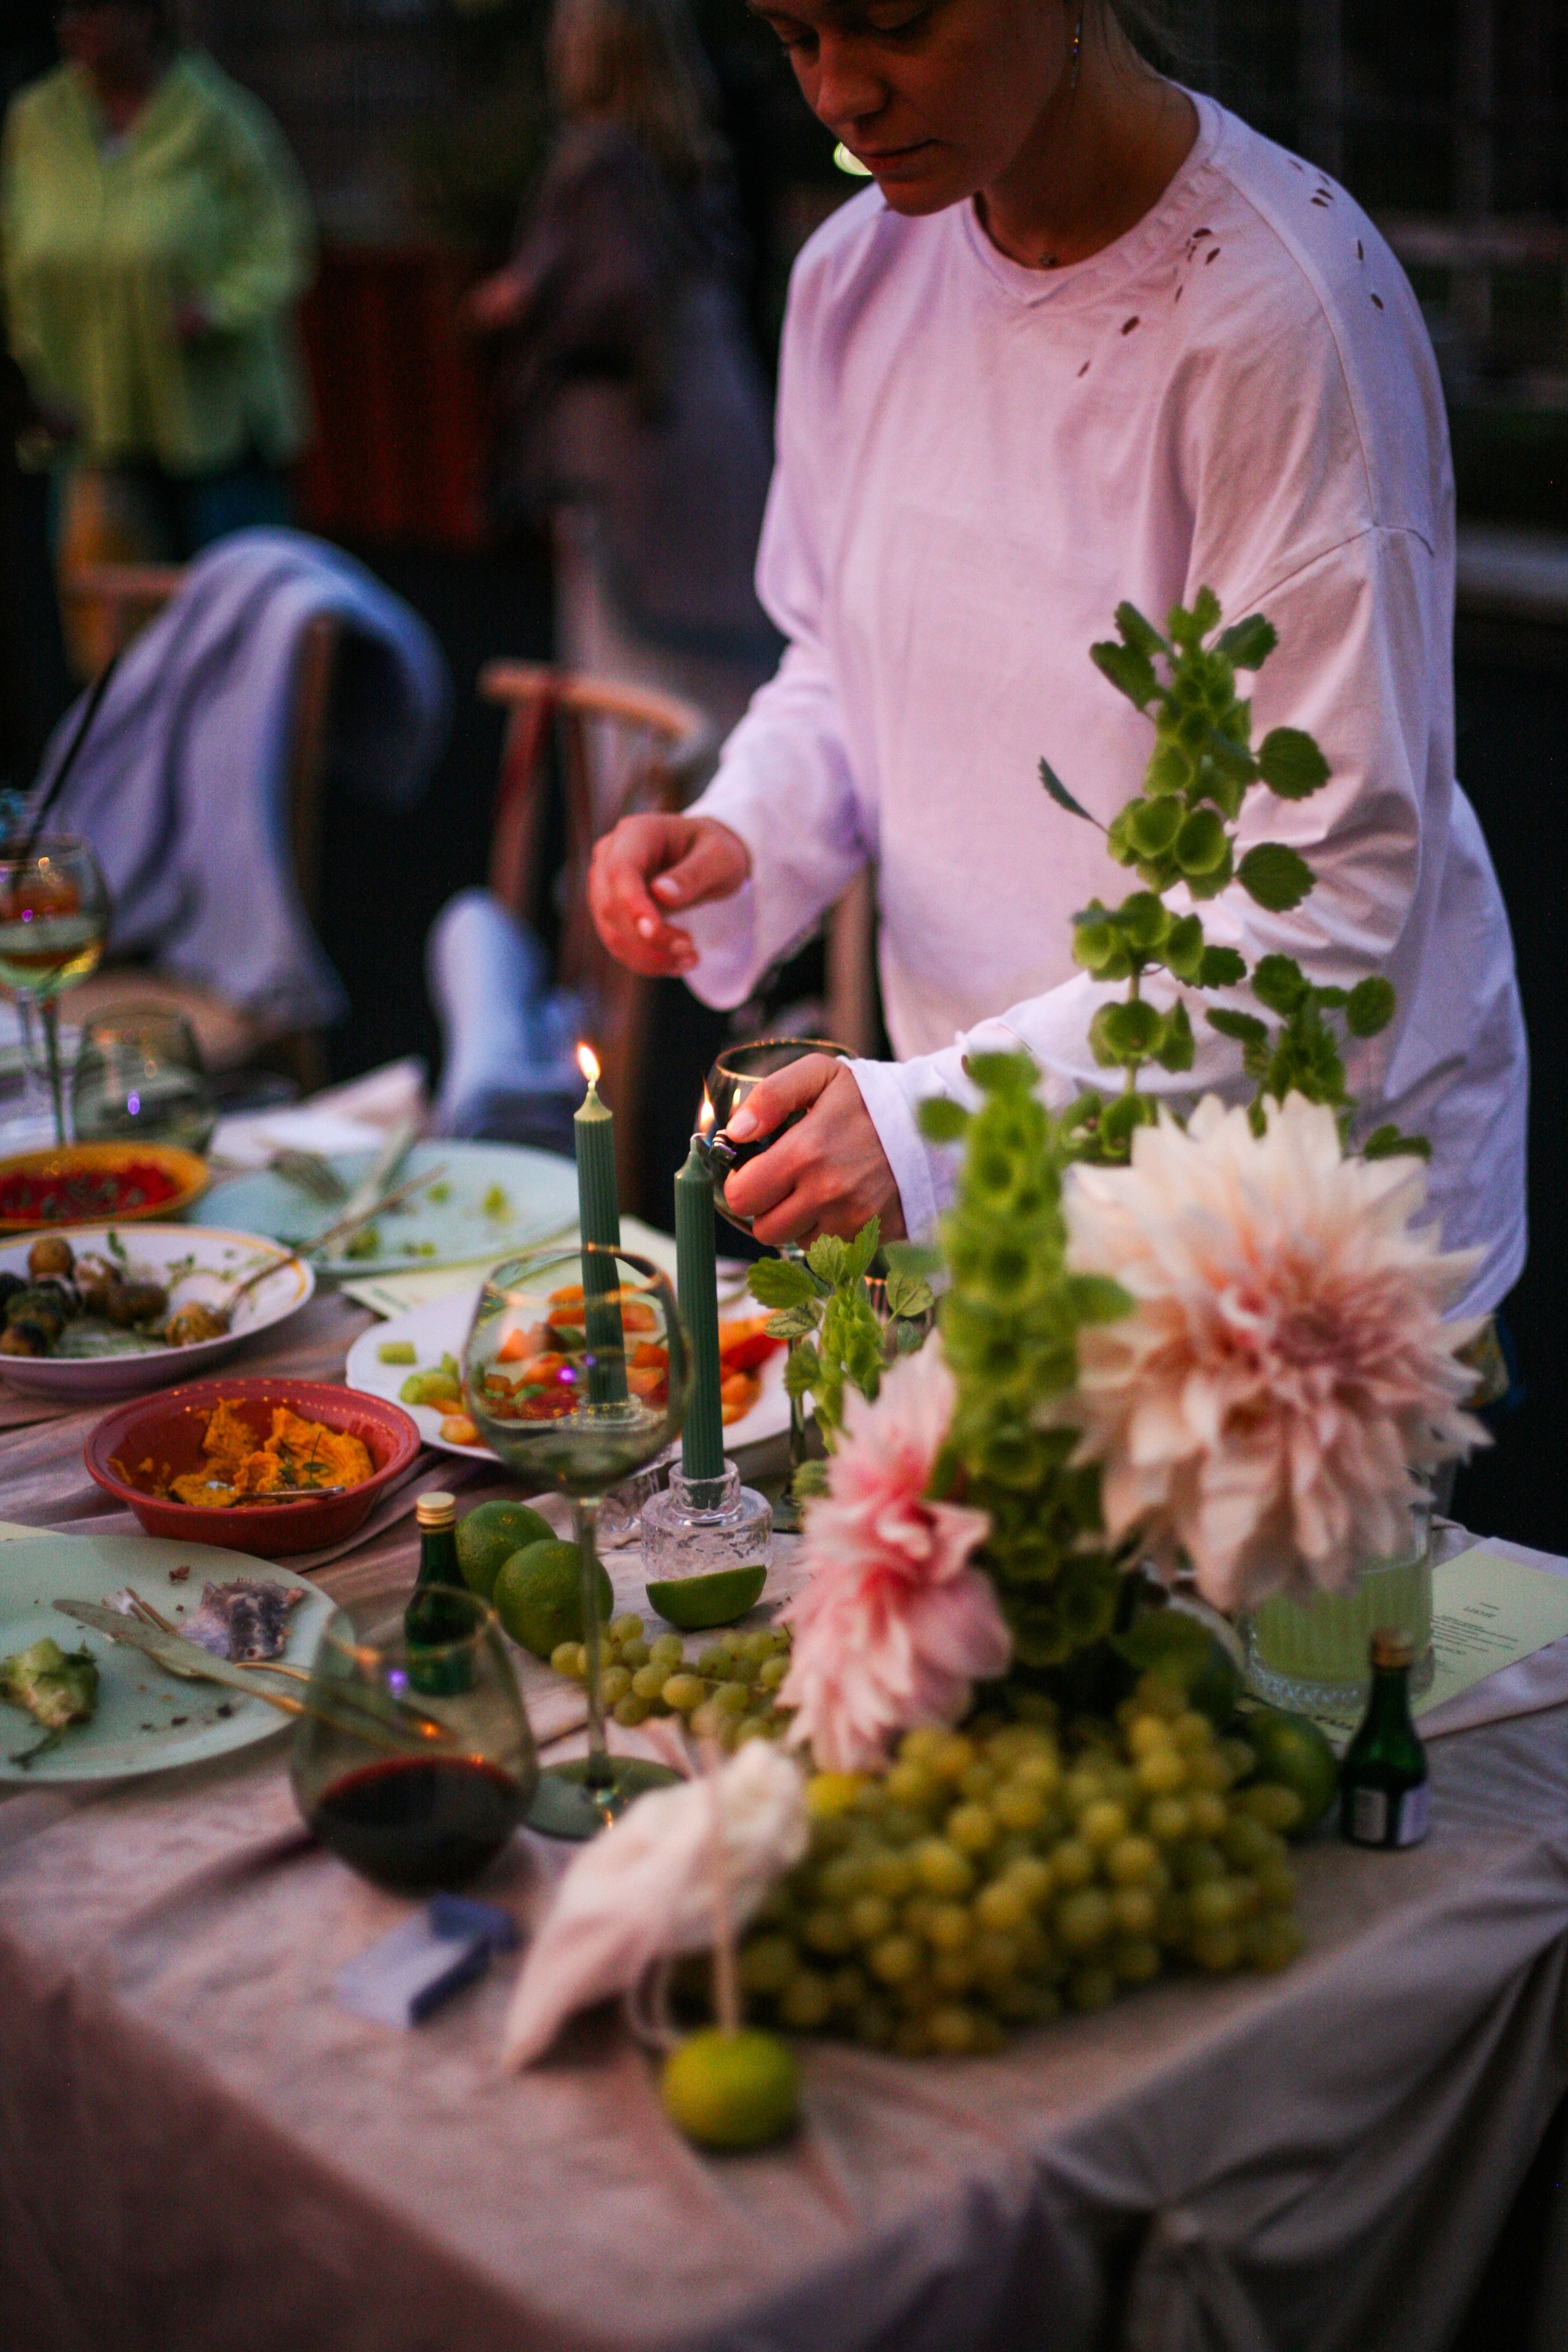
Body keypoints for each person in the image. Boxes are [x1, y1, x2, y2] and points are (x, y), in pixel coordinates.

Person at [588, 0, 1528, 1321]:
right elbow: (841, 659)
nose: (836, 94)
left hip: (1285, 1226)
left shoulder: (1279, 311)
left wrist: (936, 1129)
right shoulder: (854, 277)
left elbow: (1331, 895)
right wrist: (746, 829)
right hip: (1008, 1190)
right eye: (796, 35)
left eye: (890, 21)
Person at [467, 0, 780, 759]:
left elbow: (617, 297)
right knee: (732, 695)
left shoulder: (595, 163)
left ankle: (640, 860)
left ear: (590, 52)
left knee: (631, 701)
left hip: (629, 455)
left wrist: (522, 301)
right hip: (725, 432)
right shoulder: (693, 159)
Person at [0, 1, 314, 669]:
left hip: (213, 424)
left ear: (145, 15)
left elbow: (280, 243)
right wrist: (29, 387)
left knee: (238, 639)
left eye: (94, 7)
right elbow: (13, 263)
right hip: (93, 420)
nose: (72, 23)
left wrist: (221, 306)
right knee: (114, 651)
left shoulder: (218, 118)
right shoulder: (37, 122)